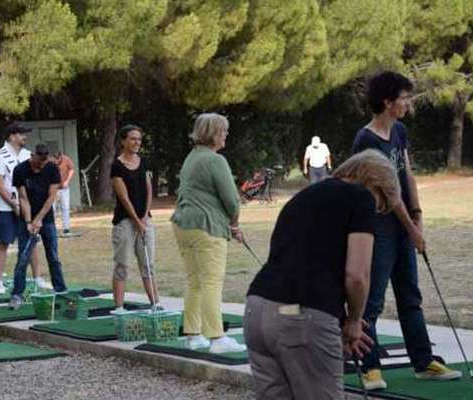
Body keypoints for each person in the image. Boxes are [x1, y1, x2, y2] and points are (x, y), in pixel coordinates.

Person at [244, 150, 399, 399]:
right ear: (376, 184)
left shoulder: (304, 195)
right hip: (300, 316)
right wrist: (354, 321)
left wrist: (338, 318)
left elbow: (304, 261)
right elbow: (358, 275)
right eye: (381, 206)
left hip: (258, 310)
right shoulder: (361, 197)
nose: (377, 213)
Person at [353, 71, 461, 389]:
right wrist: (411, 228)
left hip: (402, 224)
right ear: (387, 102)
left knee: (410, 296)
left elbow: (407, 175)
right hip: (377, 227)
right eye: (404, 98)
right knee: (371, 301)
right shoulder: (366, 139)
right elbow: (388, 191)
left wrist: (418, 215)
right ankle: (369, 368)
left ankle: (423, 361)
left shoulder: (399, 131)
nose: (408, 104)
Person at [171, 113, 246, 354]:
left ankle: (194, 335)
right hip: (206, 226)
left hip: (183, 224)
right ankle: (216, 338)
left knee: (194, 281)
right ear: (213, 133)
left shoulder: (192, 157)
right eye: (223, 131)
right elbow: (232, 200)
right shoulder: (215, 160)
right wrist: (234, 224)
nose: (226, 135)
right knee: (212, 281)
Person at [0, 122, 50, 294]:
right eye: (21, 133)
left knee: (31, 242)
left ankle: (38, 277)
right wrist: (14, 204)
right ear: (12, 136)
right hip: (5, 208)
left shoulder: (27, 155)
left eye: (25, 134)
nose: (25, 137)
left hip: (27, 207)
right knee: (3, 243)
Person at [9, 144, 68, 310]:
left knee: (53, 256)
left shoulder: (52, 169)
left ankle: (61, 290)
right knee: (23, 257)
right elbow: (23, 198)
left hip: (46, 218)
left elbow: (51, 198)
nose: (40, 167)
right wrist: (29, 222)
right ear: (32, 156)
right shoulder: (20, 170)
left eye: (43, 164)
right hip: (26, 219)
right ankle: (17, 294)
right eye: (38, 163)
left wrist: (39, 219)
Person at [110, 124, 157, 310]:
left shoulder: (142, 161)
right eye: (132, 139)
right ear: (123, 141)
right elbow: (123, 197)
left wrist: (144, 217)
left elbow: (149, 189)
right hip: (124, 222)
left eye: (139, 139)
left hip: (145, 221)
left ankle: (156, 304)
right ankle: (119, 308)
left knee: (148, 264)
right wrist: (136, 221)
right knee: (123, 264)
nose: (137, 142)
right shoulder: (117, 166)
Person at [50, 150, 75, 235]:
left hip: (64, 187)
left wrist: (67, 181)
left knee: (65, 207)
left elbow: (71, 170)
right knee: (52, 208)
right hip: (54, 188)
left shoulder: (66, 159)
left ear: (61, 156)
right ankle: (52, 228)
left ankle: (66, 228)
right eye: (55, 159)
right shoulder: (50, 161)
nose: (56, 161)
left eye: (58, 159)